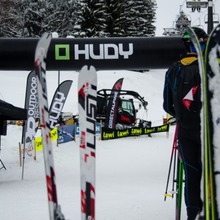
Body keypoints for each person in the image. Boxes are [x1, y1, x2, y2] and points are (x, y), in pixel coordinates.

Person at [163, 27, 208, 220]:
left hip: (186, 131)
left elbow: (167, 105)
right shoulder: (209, 67)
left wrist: (181, 115)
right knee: (211, 174)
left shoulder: (173, 70)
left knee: (191, 174)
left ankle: (193, 214)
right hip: (209, 132)